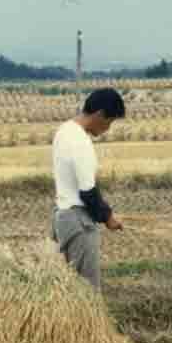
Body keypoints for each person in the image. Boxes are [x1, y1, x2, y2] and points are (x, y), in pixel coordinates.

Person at [51, 88, 125, 291]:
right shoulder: (79, 141)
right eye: (109, 122)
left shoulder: (64, 130)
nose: (107, 128)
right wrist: (108, 217)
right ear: (99, 114)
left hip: (62, 216)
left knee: (68, 290)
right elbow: (88, 192)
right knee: (87, 291)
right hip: (78, 222)